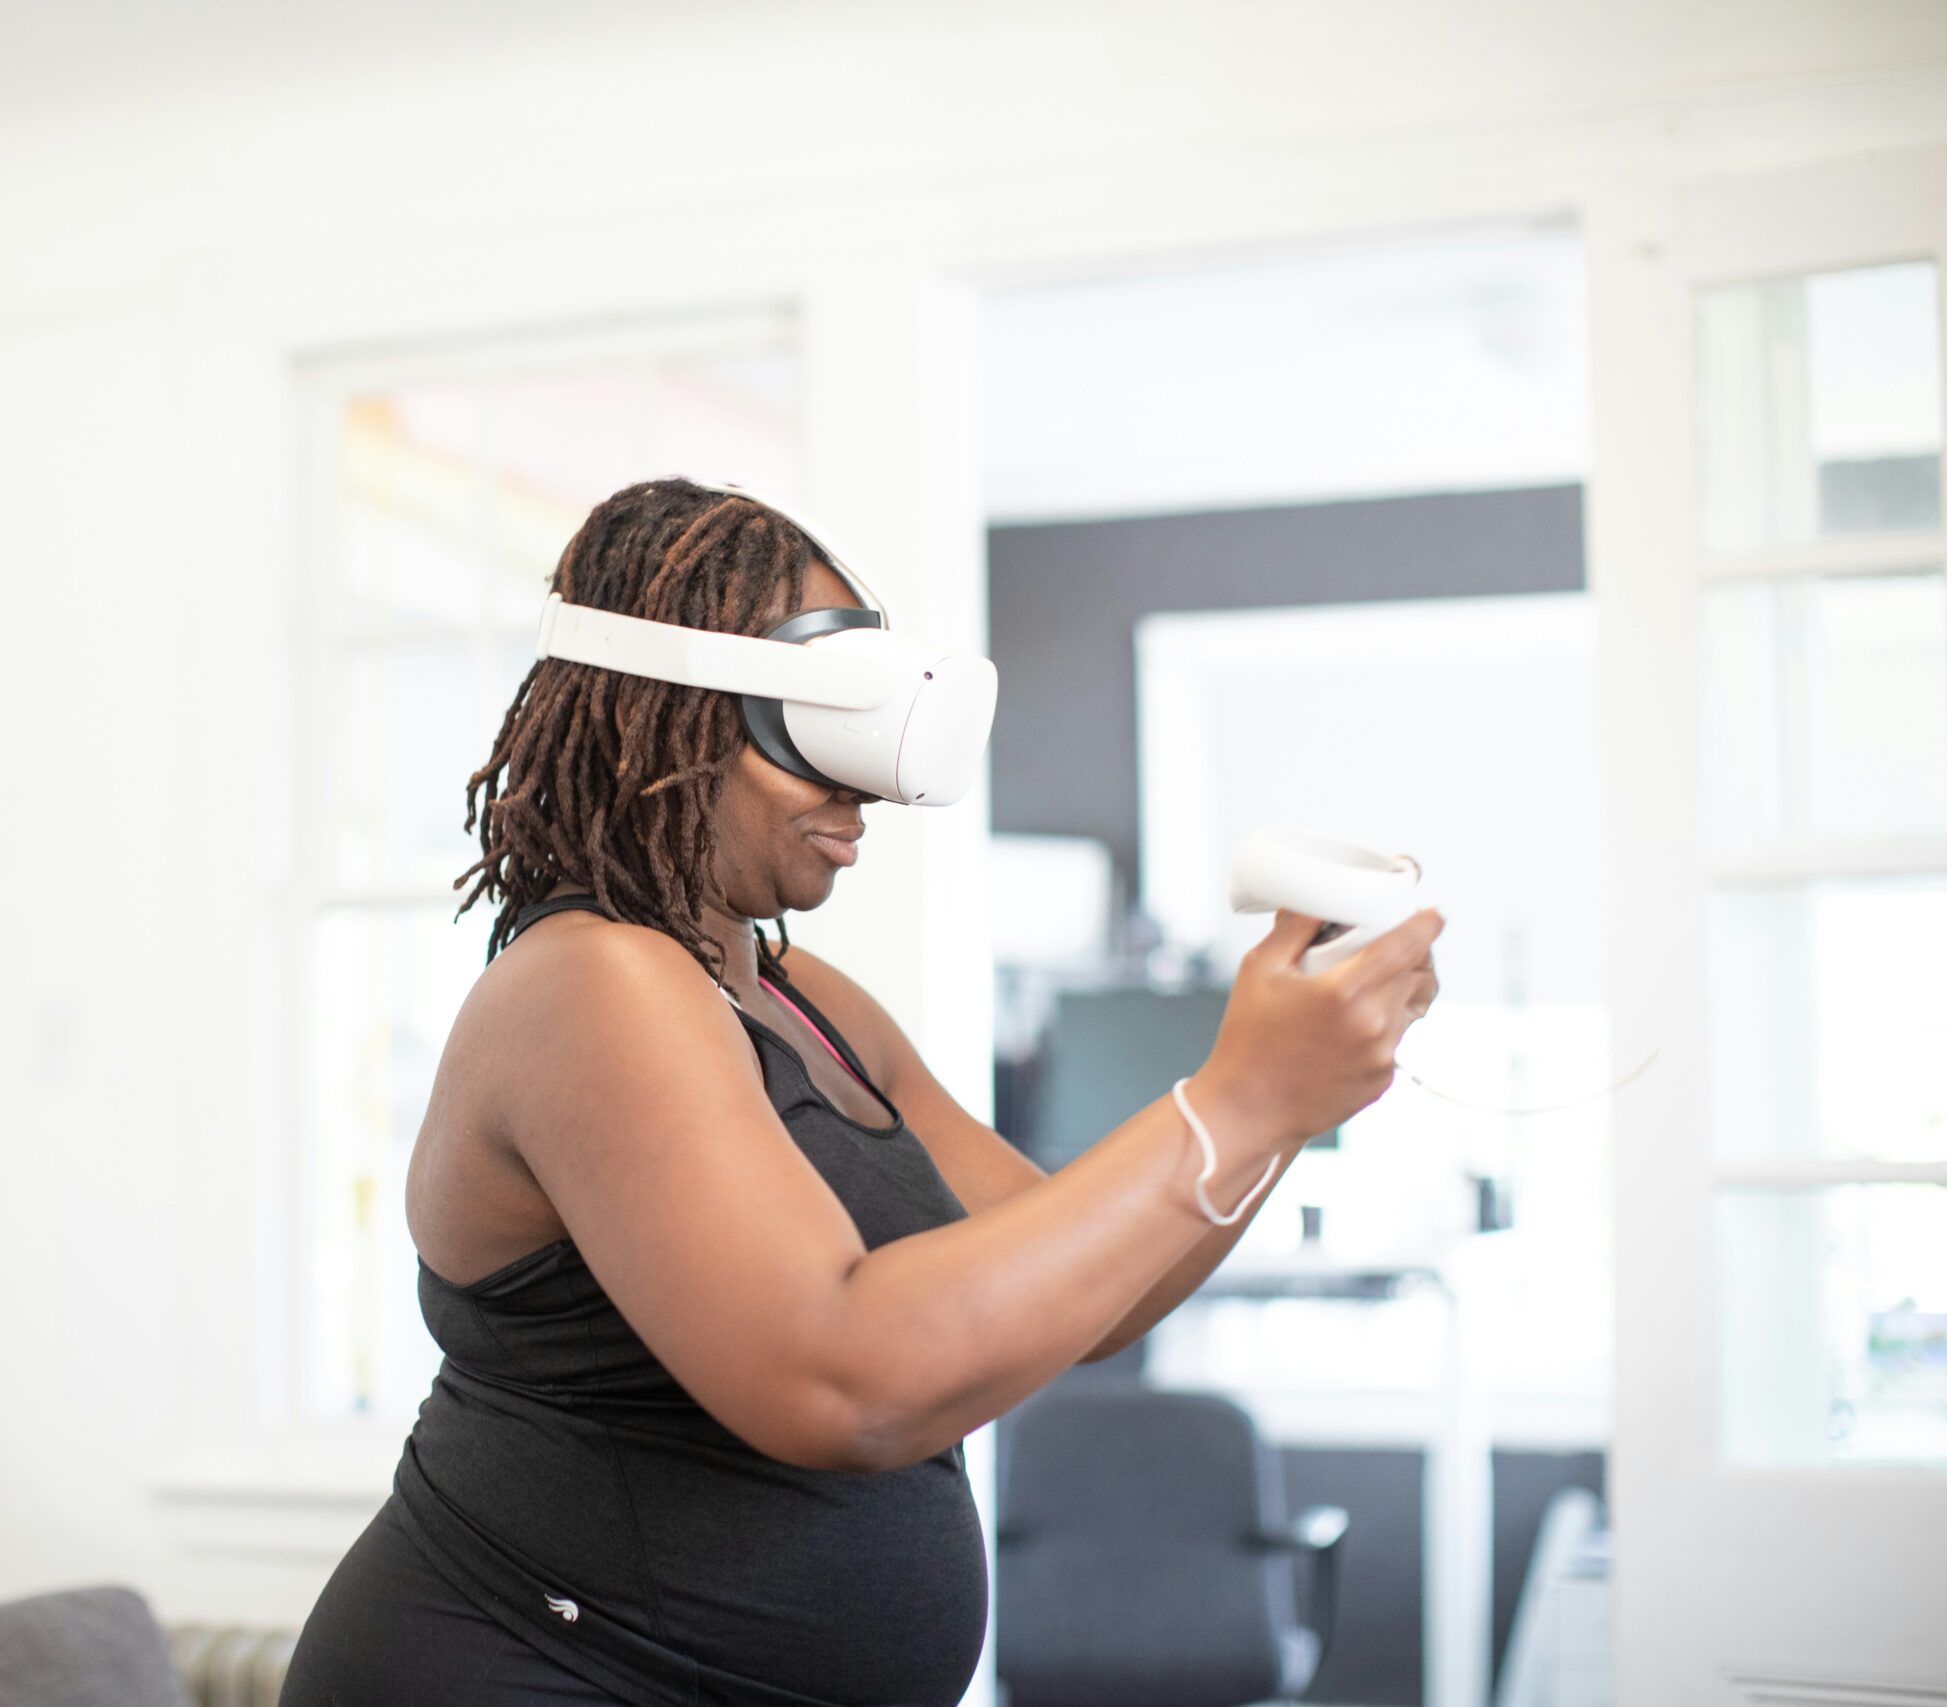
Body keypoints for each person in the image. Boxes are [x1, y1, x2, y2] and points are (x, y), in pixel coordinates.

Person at [276, 478, 1441, 1707]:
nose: (866, 793)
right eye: (817, 724)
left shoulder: (803, 996)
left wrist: (1286, 1103)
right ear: (667, 711)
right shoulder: (589, 985)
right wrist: (1243, 1097)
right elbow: (839, 1381)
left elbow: (1094, 1294)